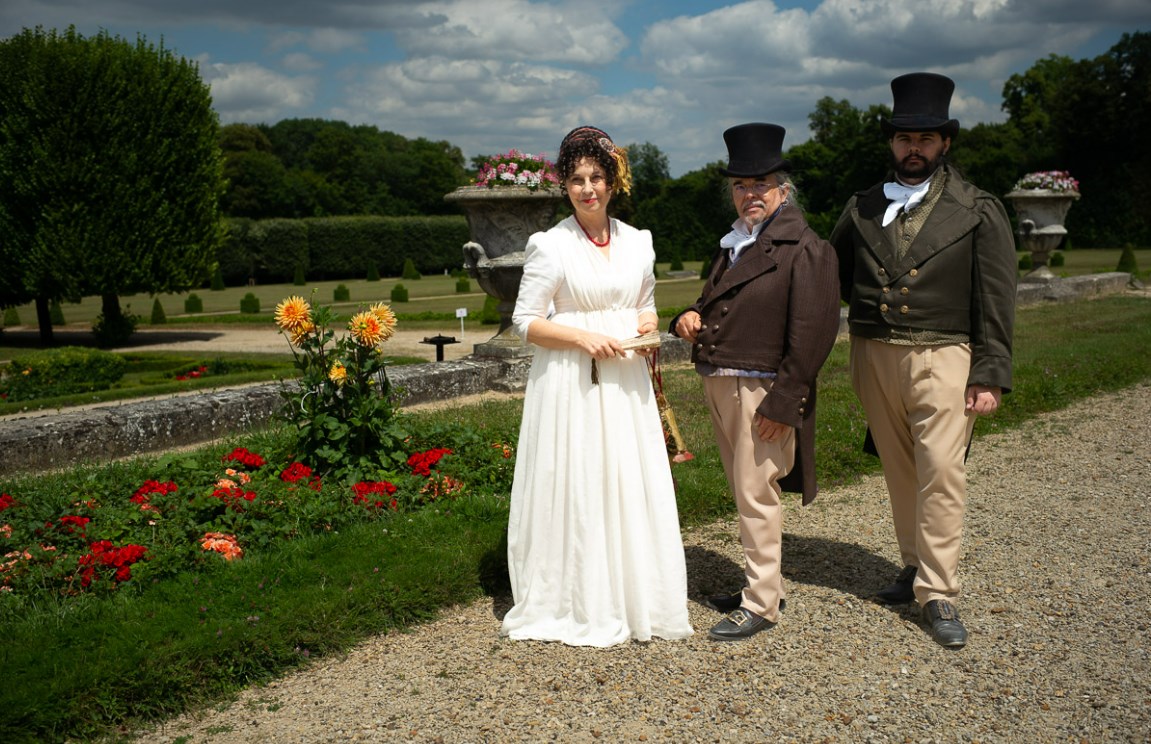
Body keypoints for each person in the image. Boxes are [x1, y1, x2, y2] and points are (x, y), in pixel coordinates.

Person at [830, 72, 1017, 649]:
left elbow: (996, 298)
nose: (915, 149)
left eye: (926, 139)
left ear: (945, 143)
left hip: (944, 354)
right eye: (905, 139)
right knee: (900, 470)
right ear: (892, 143)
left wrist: (989, 372)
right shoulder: (862, 207)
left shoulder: (977, 209)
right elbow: (831, 275)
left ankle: (938, 591)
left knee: (942, 472)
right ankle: (913, 565)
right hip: (873, 354)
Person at [499, 126, 693, 647]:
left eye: (596, 178)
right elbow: (526, 321)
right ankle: (580, 596)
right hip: (573, 383)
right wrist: (583, 338)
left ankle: (636, 595)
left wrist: (647, 329)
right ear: (565, 186)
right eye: (577, 180)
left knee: (628, 476)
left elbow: (645, 303)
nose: (588, 189)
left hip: (626, 379)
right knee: (582, 477)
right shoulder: (550, 246)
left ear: (613, 182)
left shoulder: (638, 241)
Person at [670, 123, 840, 642]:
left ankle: (762, 604)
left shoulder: (805, 248)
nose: (750, 194)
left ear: (783, 190)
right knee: (745, 492)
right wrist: (688, 316)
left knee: (756, 493)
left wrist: (785, 402)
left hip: (762, 390)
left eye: (760, 184)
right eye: (740, 185)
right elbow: (717, 303)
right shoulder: (737, 243)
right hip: (722, 382)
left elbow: (814, 334)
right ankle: (765, 584)